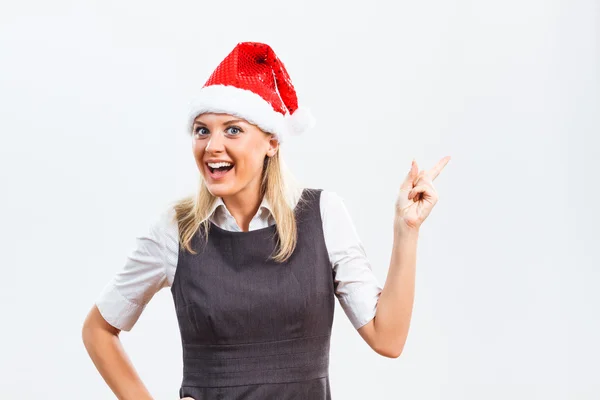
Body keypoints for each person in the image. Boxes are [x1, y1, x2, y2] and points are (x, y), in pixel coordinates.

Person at [81, 41, 450, 400]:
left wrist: (407, 231)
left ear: (272, 142)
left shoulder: (323, 215)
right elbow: (98, 329)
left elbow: (388, 338)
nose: (212, 145)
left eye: (233, 129)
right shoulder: (176, 230)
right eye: (202, 130)